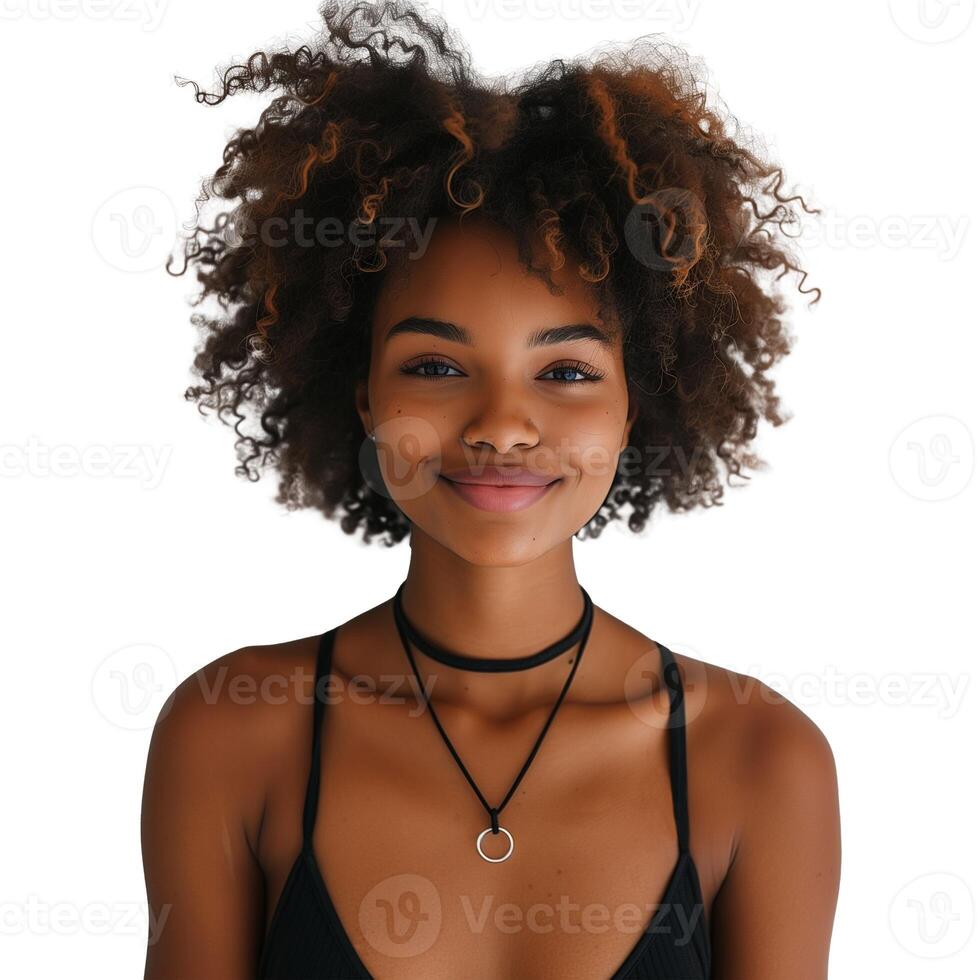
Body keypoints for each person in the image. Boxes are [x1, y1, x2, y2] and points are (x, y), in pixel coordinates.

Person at [142, 2, 841, 977]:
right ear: (360, 391)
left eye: (563, 372)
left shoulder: (759, 757)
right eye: (434, 365)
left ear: (635, 402)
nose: (500, 425)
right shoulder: (229, 730)